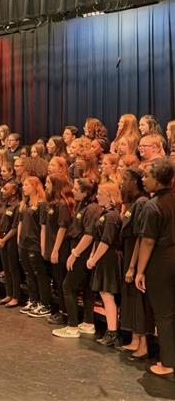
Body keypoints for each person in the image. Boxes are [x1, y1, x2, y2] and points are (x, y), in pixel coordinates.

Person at [136, 159, 175, 377]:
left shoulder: (152, 206)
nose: (143, 179)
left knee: (164, 314)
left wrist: (140, 271)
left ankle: (168, 363)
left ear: (158, 180)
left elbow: (148, 241)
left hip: (161, 260)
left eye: (146, 176)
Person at [53, 178, 101, 338]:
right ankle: (88, 323)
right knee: (86, 288)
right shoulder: (82, 205)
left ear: (85, 192)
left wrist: (75, 254)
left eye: (75, 188)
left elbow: (88, 235)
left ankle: (72, 326)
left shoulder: (93, 209)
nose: (72, 190)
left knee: (68, 286)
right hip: (78, 247)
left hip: (82, 251)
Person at [118, 167, 152, 361]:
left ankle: (144, 345)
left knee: (139, 301)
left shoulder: (142, 202)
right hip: (129, 250)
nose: (122, 183)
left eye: (126, 180)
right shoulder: (133, 202)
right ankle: (134, 339)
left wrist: (132, 266)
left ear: (135, 182)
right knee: (131, 297)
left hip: (136, 255)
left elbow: (140, 237)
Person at [87, 183, 122, 347]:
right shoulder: (105, 214)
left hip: (109, 258)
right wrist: (93, 255)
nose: (97, 196)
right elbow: (98, 238)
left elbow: (106, 241)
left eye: (101, 194)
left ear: (110, 196)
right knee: (104, 293)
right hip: (103, 257)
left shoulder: (112, 216)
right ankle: (112, 330)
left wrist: (94, 258)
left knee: (107, 294)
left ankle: (112, 331)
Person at [42, 175, 74, 325]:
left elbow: (62, 228)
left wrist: (55, 250)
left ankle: (65, 313)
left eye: (48, 182)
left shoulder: (62, 205)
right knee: (56, 281)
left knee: (61, 281)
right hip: (52, 246)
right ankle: (61, 310)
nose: (46, 184)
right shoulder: (52, 204)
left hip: (60, 248)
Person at [17, 176, 50, 317]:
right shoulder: (24, 204)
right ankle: (33, 299)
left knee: (39, 274)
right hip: (23, 243)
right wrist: (19, 239)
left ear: (35, 186)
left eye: (26, 185)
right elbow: (20, 223)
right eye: (23, 185)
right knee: (28, 273)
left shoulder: (42, 204)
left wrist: (43, 247)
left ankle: (45, 304)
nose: (23, 187)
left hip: (34, 244)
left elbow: (43, 227)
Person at [0, 180, 22, 307]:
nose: (2, 190)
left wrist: (4, 239)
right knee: (6, 268)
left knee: (13, 269)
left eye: (6, 189)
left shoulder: (17, 206)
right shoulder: (4, 204)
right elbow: (0, 222)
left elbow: (15, 227)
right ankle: (8, 294)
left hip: (10, 239)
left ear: (14, 191)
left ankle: (16, 296)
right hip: (1, 238)